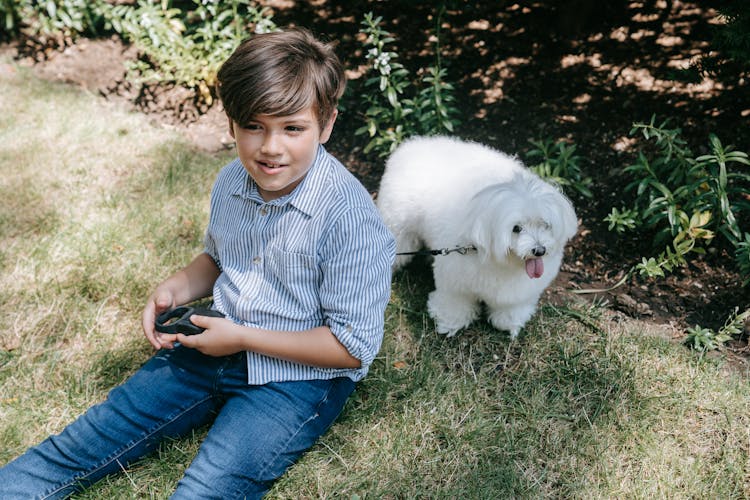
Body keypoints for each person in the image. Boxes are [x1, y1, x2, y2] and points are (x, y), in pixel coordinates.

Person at [0, 27, 395, 499]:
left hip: (298, 379)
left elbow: (352, 347)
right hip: (211, 343)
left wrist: (243, 338)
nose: (270, 147)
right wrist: (178, 287)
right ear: (231, 124)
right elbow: (217, 256)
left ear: (326, 124)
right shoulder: (232, 180)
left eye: (292, 128)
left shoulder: (350, 219)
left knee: (204, 490)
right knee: (80, 445)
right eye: (254, 126)